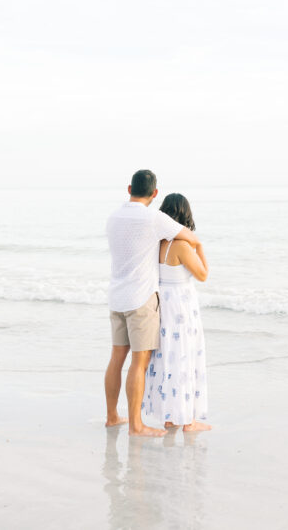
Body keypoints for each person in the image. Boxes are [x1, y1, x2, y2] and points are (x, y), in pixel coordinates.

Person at [105, 170, 200, 437]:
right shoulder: (154, 218)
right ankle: (136, 425)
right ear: (155, 193)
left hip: (116, 296)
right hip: (141, 299)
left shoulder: (113, 217)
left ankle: (112, 416)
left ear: (129, 189)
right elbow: (190, 238)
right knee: (140, 362)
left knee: (116, 358)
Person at [143, 193, 211, 433]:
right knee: (185, 355)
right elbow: (203, 275)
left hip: (163, 303)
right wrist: (199, 246)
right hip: (181, 305)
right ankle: (188, 421)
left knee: (168, 357)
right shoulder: (182, 245)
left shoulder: (157, 243)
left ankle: (170, 417)